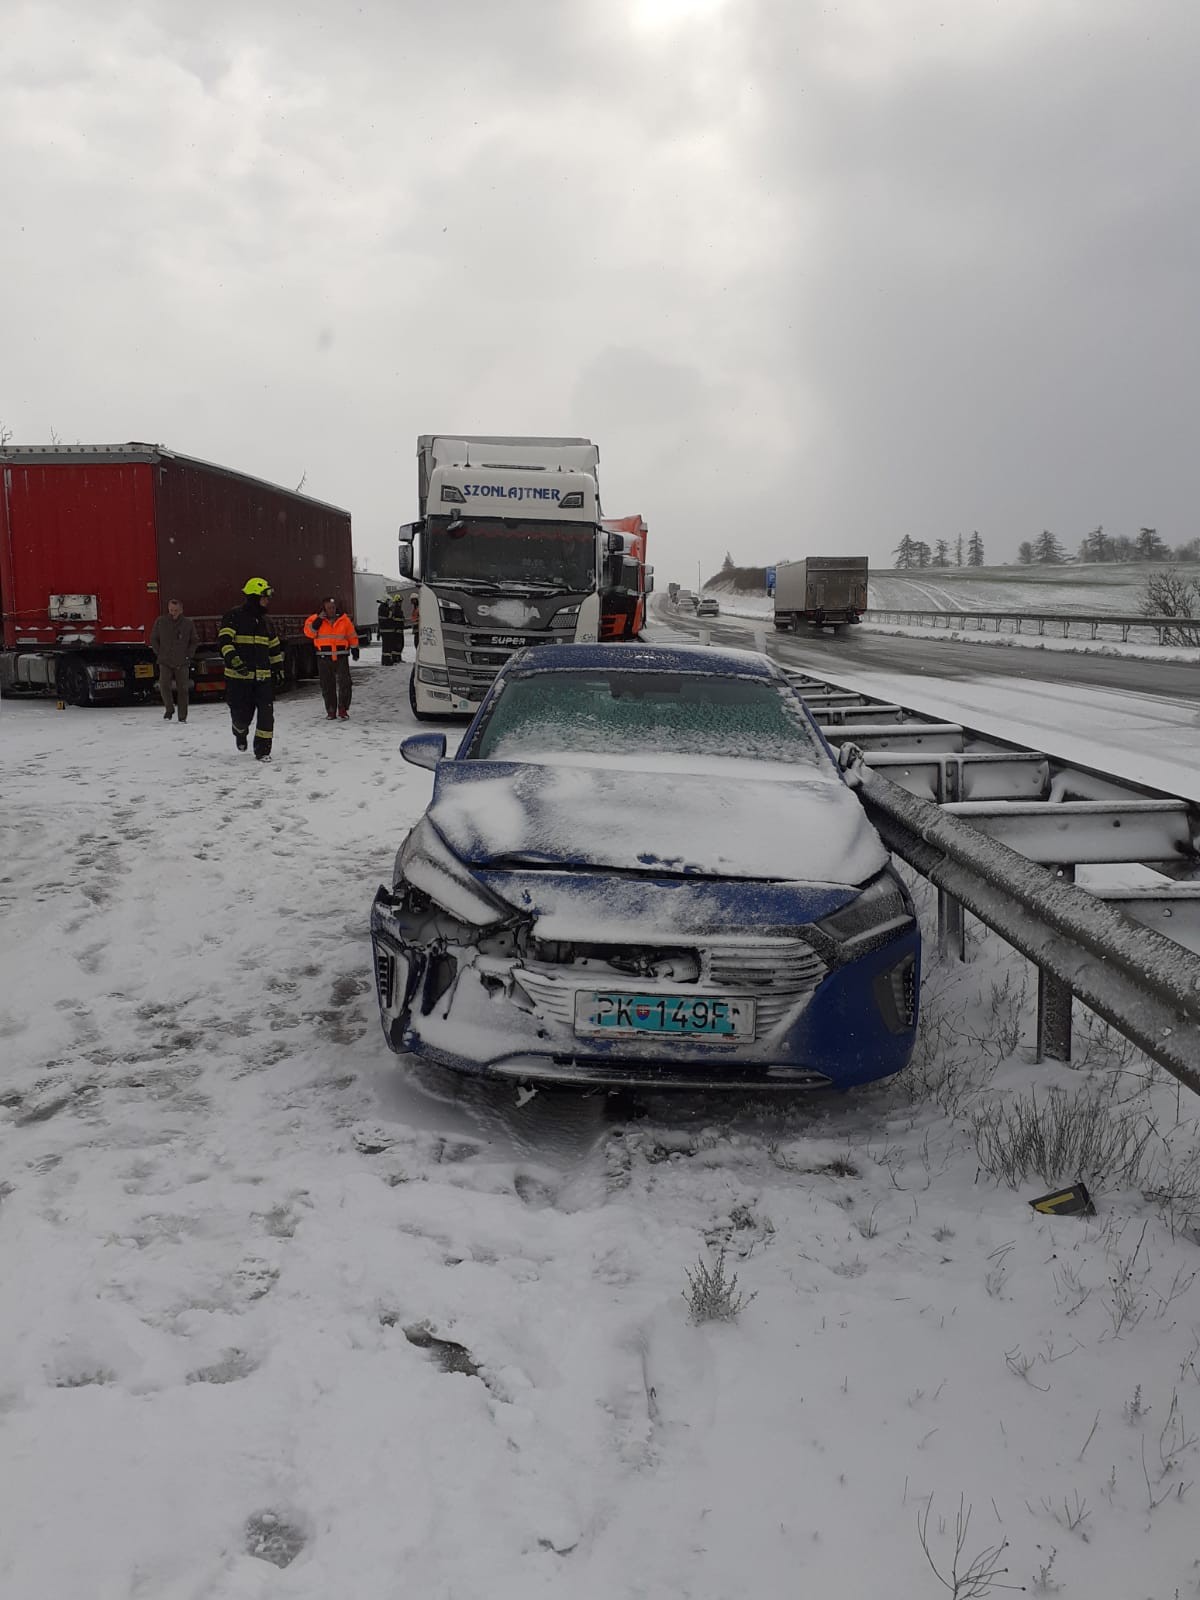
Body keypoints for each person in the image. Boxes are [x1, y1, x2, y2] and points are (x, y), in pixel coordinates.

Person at [219, 577, 284, 761]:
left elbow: (274, 647)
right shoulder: (233, 617)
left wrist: (278, 668)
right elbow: (224, 642)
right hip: (239, 679)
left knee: (266, 715)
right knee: (242, 716)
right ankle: (240, 731)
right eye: (265, 596)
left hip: (263, 680)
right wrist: (235, 661)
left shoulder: (266, 622)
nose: (267, 600)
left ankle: (263, 751)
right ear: (255, 596)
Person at [304, 595, 359, 720]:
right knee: (327, 685)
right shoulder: (314, 619)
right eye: (329, 608)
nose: (332, 610)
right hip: (324, 657)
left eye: (333, 607)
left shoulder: (344, 620)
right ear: (323, 609)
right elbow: (309, 633)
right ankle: (331, 710)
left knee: (345, 683)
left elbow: (352, 635)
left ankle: (343, 708)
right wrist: (317, 622)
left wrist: (355, 648)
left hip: (341, 657)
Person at [149, 597, 199, 722]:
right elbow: (154, 638)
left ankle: (182, 716)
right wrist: (159, 652)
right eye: (171, 610)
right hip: (165, 660)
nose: (173, 612)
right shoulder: (161, 621)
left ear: (181, 610)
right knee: (164, 685)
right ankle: (169, 708)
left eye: (176, 610)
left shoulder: (188, 623)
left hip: (182, 661)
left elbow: (194, 641)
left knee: (183, 689)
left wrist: (189, 654)